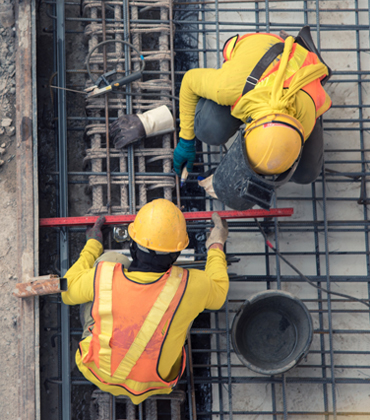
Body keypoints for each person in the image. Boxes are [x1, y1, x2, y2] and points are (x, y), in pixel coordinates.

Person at [61, 199, 229, 404]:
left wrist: (93, 245)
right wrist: (216, 244)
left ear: (133, 246)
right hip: (157, 383)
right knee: (184, 306)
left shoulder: (105, 276)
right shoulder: (191, 285)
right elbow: (220, 291)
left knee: (111, 261)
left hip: (97, 371)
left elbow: (67, 291)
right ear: (176, 254)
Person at [173, 26, 332, 210]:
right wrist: (186, 139)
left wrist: (231, 181)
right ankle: (298, 47)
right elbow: (189, 81)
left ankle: (307, 52)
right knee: (207, 129)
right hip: (258, 54)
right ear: (248, 128)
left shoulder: (307, 113)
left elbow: (274, 155)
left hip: (301, 78)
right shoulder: (230, 86)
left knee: (306, 174)